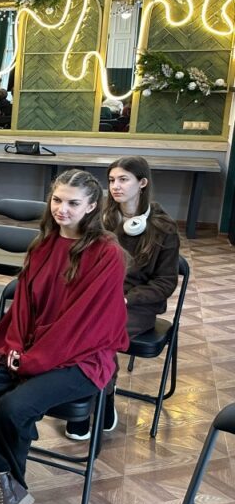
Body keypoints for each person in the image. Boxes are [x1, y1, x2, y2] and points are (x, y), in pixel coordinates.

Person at [0, 169, 128, 504]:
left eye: (73, 203)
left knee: (14, 406)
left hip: (82, 358)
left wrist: (32, 361)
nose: (62, 209)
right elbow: (22, 307)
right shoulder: (43, 245)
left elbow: (82, 323)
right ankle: (6, 479)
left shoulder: (107, 254)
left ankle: (6, 481)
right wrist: (15, 347)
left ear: (92, 206)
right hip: (31, 348)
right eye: (57, 200)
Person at [64, 156, 180, 440]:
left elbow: (165, 282)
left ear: (142, 183)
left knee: (96, 334)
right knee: (70, 325)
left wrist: (127, 299)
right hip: (98, 297)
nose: (115, 186)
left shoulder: (164, 228)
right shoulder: (100, 220)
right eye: (112, 180)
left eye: (123, 180)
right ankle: (99, 396)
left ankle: (95, 400)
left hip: (137, 305)